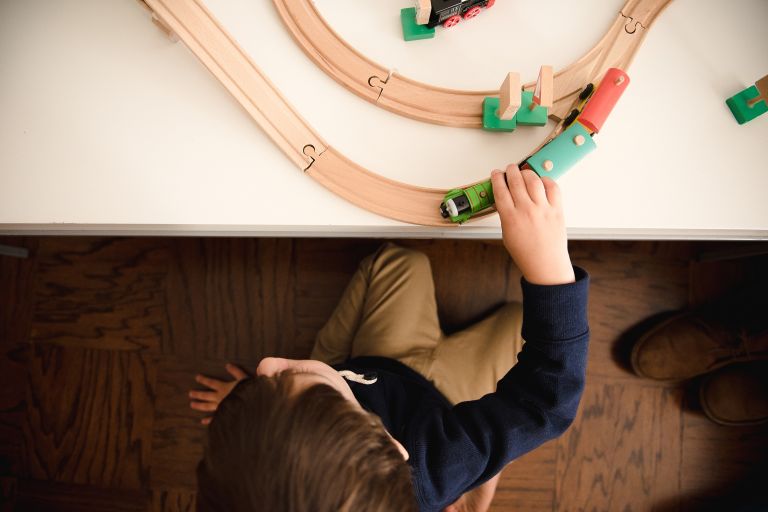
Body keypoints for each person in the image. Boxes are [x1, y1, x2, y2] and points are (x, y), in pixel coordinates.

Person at [188, 165, 591, 512]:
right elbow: (545, 402)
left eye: (261, 387)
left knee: (399, 262)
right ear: (397, 452)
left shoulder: (252, 482)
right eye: (280, 379)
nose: (266, 364)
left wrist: (249, 413)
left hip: (366, 363)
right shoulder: (437, 468)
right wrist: (550, 269)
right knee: (523, 318)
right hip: (450, 400)